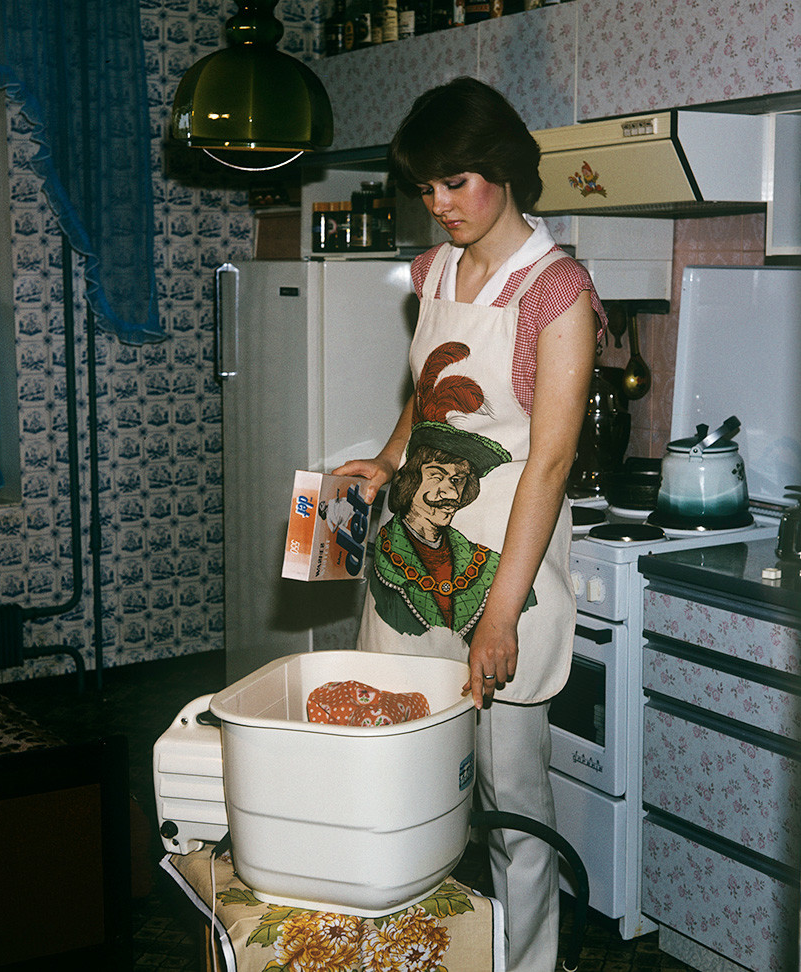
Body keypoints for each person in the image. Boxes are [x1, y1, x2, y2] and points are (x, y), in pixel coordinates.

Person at [334, 76, 605, 972]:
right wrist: (386, 458)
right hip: (417, 547)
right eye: (427, 189)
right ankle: (410, 951)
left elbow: (551, 463)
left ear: (503, 170)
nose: (439, 205)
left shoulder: (554, 291)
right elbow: (433, 397)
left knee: (511, 796)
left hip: (507, 567)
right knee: (398, 770)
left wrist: (501, 614)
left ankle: (526, 961)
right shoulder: (434, 271)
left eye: (456, 182)